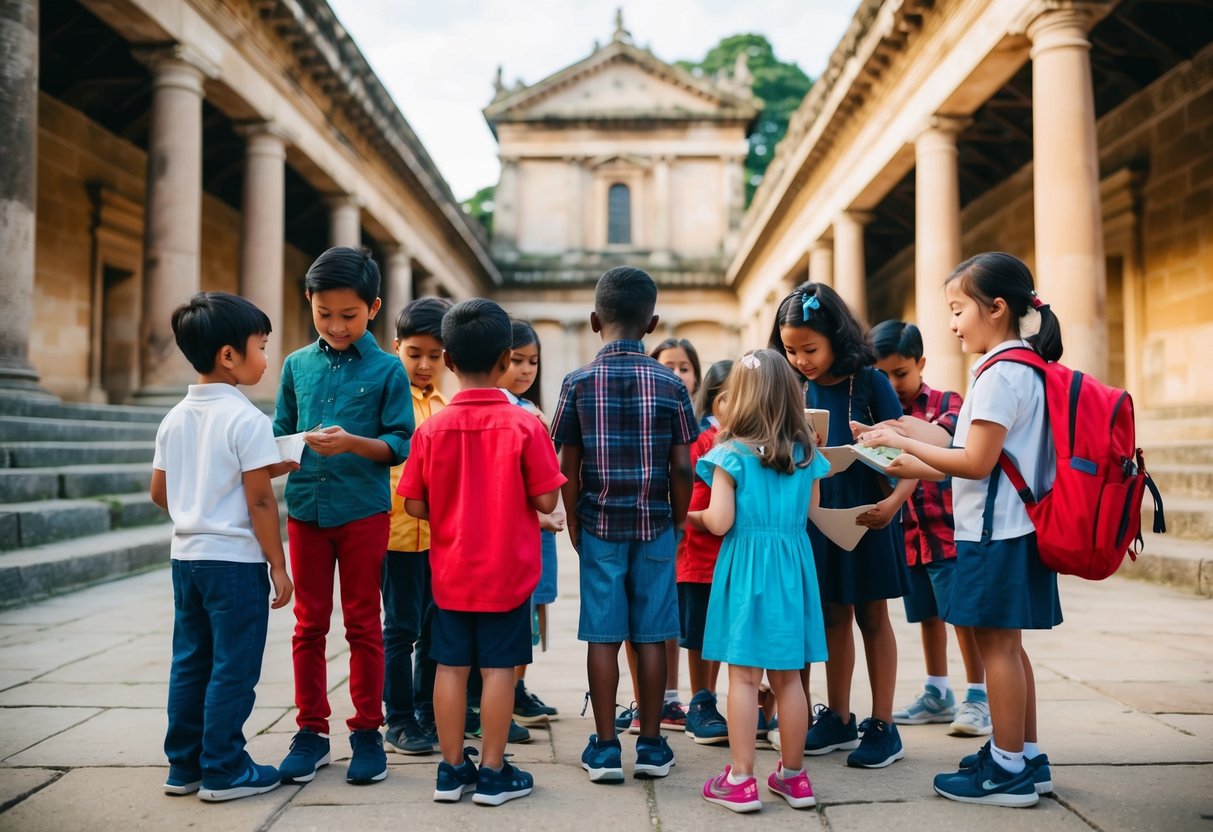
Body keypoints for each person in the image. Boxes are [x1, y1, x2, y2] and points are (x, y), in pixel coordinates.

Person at [861, 252, 1062, 807]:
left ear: (996, 309)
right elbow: (977, 458)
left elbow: (974, 462)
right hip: (1014, 528)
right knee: (1010, 649)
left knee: (996, 648)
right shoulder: (1023, 365)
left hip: (996, 532)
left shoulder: (1000, 373)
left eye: (958, 309)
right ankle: (1023, 754)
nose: (951, 322)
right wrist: (905, 457)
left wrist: (905, 443)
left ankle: (1005, 770)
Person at [399, 299, 565, 806]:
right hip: (508, 573)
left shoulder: (431, 429)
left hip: (450, 572)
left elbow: (413, 503)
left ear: (448, 361)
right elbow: (546, 499)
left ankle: (451, 771)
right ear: (503, 361)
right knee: (497, 670)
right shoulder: (525, 426)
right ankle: (493, 772)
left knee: (449, 668)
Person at [273, 247, 414, 786]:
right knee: (308, 625)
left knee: (363, 624)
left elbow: (400, 443)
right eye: (324, 313)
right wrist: (293, 445)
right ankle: (310, 731)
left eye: (348, 315)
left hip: (363, 513)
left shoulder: (386, 370)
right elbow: (280, 429)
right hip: (306, 509)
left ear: (374, 308)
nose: (335, 325)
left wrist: (354, 442)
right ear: (308, 302)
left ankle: (366, 733)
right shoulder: (295, 365)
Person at [551, 265, 697, 783]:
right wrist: (678, 521)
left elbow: (566, 463)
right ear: (652, 323)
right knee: (654, 636)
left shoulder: (576, 382)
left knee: (603, 635)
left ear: (594, 321)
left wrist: (572, 518)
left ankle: (607, 747)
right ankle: (654, 745)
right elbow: (684, 466)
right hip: (656, 522)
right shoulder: (671, 384)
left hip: (599, 524)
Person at [152, 292, 294, 802]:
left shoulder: (174, 417)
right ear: (228, 355)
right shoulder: (247, 419)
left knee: (190, 660)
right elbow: (259, 502)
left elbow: (159, 492)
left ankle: (183, 765)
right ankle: (224, 768)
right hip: (234, 564)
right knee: (233, 665)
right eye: (261, 345)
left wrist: (198, 510)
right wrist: (278, 565)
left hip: (186, 558)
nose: (266, 357)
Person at [768, 282, 913, 769]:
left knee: (873, 617)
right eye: (790, 350)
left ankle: (884, 724)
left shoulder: (869, 382)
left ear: (836, 336)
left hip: (870, 513)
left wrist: (894, 503)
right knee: (831, 615)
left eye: (810, 348)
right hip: (814, 518)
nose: (801, 359)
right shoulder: (790, 385)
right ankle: (840, 717)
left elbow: (908, 452)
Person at [691, 350, 830, 813]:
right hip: (792, 568)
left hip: (746, 570)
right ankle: (794, 777)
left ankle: (741, 779)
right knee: (790, 679)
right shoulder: (806, 453)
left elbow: (719, 522)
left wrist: (686, 516)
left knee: (746, 679)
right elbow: (813, 512)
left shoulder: (728, 455)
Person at [870, 320, 991, 737]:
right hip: (907, 536)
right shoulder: (877, 412)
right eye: (881, 374)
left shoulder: (946, 402)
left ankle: (979, 697)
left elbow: (947, 441)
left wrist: (901, 433)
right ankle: (938, 692)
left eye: (900, 373)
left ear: (921, 363)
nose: (892, 383)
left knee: (962, 617)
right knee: (927, 615)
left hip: (948, 532)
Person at [617, 337, 704, 732]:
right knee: (654, 621)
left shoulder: (708, 430)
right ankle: (655, 701)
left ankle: (698, 700)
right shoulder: (645, 418)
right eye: (667, 365)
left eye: (684, 367)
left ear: (698, 378)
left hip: (693, 540)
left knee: (684, 624)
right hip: (659, 530)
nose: (676, 374)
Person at [383, 297, 452, 756]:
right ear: (397, 348)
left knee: (434, 627)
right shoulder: (388, 399)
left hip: (440, 537)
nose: (424, 365)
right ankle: (399, 718)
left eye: (435, 355)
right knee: (400, 628)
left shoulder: (446, 404)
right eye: (414, 354)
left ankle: (429, 710)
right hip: (394, 534)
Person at [500, 320, 566, 727]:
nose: (526, 370)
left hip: (541, 526)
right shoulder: (504, 410)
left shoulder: (531, 410)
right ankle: (503, 693)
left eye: (533, 362)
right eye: (516, 361)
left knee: (534, 609)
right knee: (515, 612)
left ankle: (518, 688)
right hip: (516, 527)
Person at [679, 359, 733, 745]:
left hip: (736, 557)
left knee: (726, 632)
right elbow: (690, 507)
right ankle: (702, 701)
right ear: (715, 402)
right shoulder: (701, 445)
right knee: (700, 636)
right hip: (699, 558)